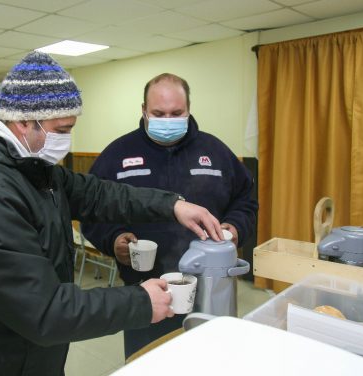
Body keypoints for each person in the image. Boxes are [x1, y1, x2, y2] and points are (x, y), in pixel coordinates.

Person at [0, 53, 225, 376]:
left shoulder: (30, 164)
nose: (66, 140)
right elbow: (45, 310)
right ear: (24, 121)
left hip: (32, 358)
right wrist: (140, 302)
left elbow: (98, 194)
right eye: (61, 129)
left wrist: (173, 205)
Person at [82, 73, 258, 359]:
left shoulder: (216, 152)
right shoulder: (116, 155)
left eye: (177, 113)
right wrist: (112, 239)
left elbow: (246, 201)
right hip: (146, 294)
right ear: (143, 111)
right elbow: (92, 210)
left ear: (189, 109)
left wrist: (235, 228)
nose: (168, 120)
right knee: (149, 362)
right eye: (158, 113)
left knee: (211, 363)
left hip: (210, 289)